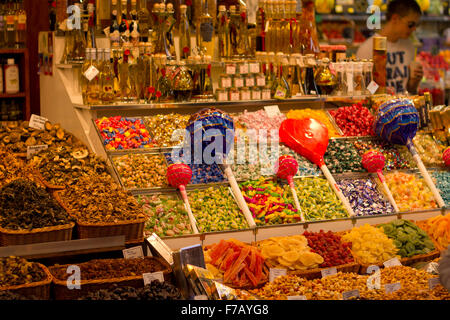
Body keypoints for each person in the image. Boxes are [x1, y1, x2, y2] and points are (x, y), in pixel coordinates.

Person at [356, 0, 424, 94]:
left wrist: (414, 81)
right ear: (395, 18)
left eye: (417, 25)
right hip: (379, 106)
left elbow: (409, 89)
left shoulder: (409, 46)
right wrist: (379, 87)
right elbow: (361, 90)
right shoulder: (367, 48)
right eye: (411, 24)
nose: (414, 28)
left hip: (404, 106)